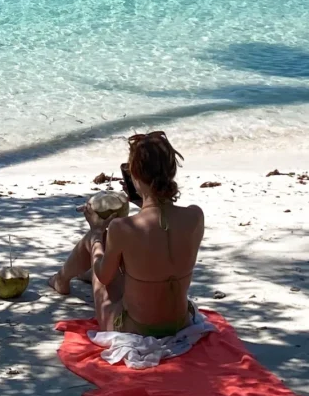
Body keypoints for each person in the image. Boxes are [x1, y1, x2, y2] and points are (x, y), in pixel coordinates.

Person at [49, 131, 204, 337]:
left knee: (96, 243)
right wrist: (143, 202)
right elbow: (161, 231)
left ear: (135, 175)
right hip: (182, 323)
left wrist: (95, 233)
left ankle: (62, 280)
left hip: (134, 329)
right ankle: (78, 274)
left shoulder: (123, 227)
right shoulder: (195, 216)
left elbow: (104, 276)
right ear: (171, 171)